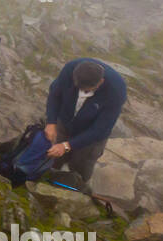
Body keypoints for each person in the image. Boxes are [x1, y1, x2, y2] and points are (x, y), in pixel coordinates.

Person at [43, 58, 127, 187]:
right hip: (65, 121)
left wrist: (67, 145)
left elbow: (101, 129)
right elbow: (55, 93)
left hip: (92, 135)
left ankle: (76, 189)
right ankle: (46, 179)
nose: (83, 93)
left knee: (81, 167)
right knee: (52, 156)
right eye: (80, 88)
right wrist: (51, 122)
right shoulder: (70, 69)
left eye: (88, 90)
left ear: (101, 82)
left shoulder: (116, 90)